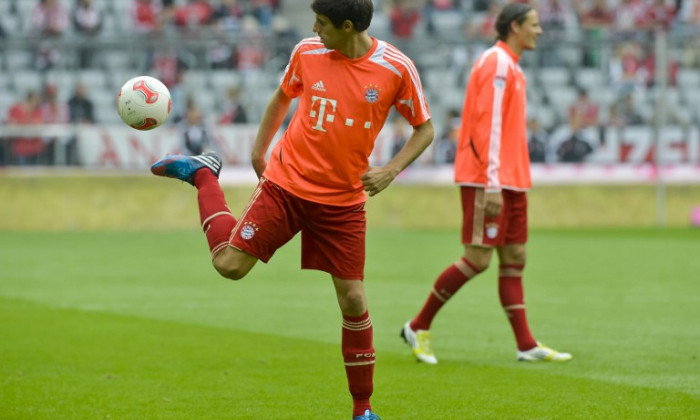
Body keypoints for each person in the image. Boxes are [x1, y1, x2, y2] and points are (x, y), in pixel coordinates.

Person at [149, 1, 434, 419]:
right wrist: (259, 150)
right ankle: (204, 176)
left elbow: (424, 129)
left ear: (348, 26)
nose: (315, 30)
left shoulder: (396, 68)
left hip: (343, 203)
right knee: (229, 265)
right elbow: (282, 97)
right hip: (287, 184)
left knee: (353, 299)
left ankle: (363, 410)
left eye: (322, 24)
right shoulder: (307, 52)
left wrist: (391, 171)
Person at [401, 2, 572, 365]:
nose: (539, 31)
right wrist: (492, 182)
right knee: (477, 258)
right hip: (488, 180)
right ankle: (418, 325)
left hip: (511, 180)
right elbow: (488, 125)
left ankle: (525, 344)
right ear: (513, 27)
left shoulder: (511, 66)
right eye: (534, 24)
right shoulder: (496, 63)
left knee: (515, 257)